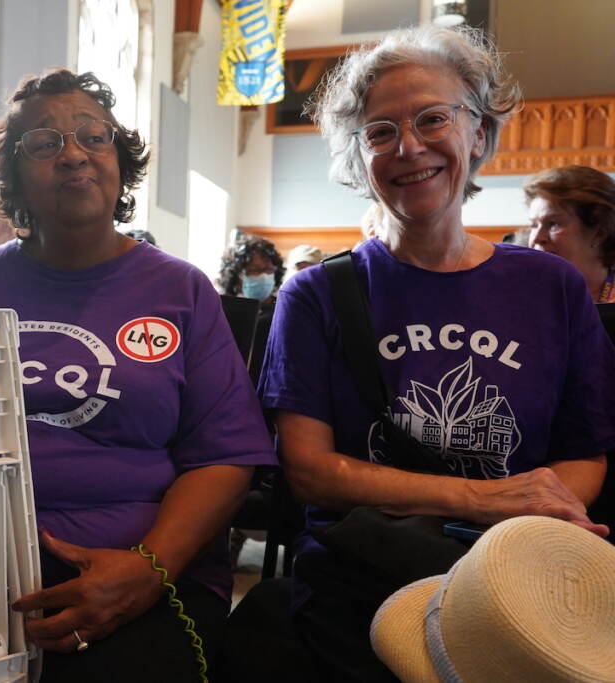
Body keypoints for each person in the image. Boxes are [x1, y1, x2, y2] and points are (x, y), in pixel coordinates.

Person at [0, 69, 274, 682]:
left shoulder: (179, 290)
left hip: (132, 566)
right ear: (14, 177)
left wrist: (148, 570)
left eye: (92, 136)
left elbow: (226, 457)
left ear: (120, 162)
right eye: (45, 144)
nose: (73, 153)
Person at [229, 25, 615, 682]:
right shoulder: (315, 294)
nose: (408, 146)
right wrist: (485, 499)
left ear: (478, 133)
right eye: (380, 132)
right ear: (360, 157)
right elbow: (312, 471)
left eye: (433, 118)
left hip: (515, 585)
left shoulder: (552, 287)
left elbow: (582, 453)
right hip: (362, 581)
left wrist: (519, 538)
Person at [525, 165, 615, 303]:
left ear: (599, 233)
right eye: (534, 225)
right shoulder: (517, 295)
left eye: (553, 223)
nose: (537, 238)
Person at [217, 235, 284, 303]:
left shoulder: (283, 308)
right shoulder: (223, 308)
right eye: (254, 270)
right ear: (236, 276)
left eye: (268, 269)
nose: (264, 276)